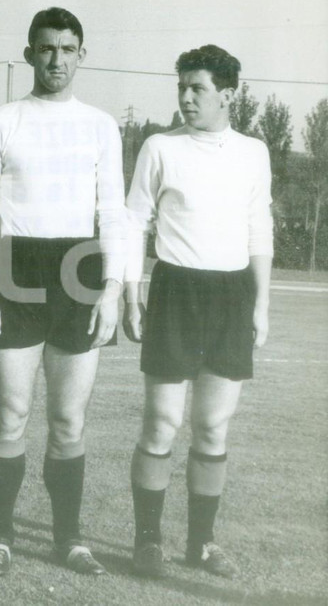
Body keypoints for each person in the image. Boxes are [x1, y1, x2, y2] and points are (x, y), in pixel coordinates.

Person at [0, 7, 125, 576]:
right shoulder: (2, 121)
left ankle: (69, 539)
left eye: (68, 48)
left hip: (80, 265)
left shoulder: (101, 125)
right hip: (14, 266)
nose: (57, 59)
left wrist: (112, 288)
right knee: (10, 413)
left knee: (68, 420)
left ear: (82, 53)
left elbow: (114, 211)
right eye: (46, 48)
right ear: (29, 52)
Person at [124, 45, 272, 580]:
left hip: (232, 297)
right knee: (161, 422)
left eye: (198, 89)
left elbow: (260, 229)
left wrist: (263, 304)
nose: (186, 98)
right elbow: (133, 219)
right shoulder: (160, 147)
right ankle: (147, 541)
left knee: (212, 428)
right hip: (175, 291)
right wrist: (129, 289)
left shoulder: (253, 152)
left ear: (227, 95)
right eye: (181, 87)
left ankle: (201, 544)